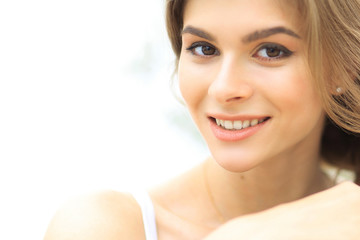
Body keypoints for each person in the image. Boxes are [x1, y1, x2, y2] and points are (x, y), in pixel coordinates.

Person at [44, 0, 360, 239]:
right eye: (204, 48)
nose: (223, 88)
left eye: (271, 51)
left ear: (342, 69)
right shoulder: (104, 226)